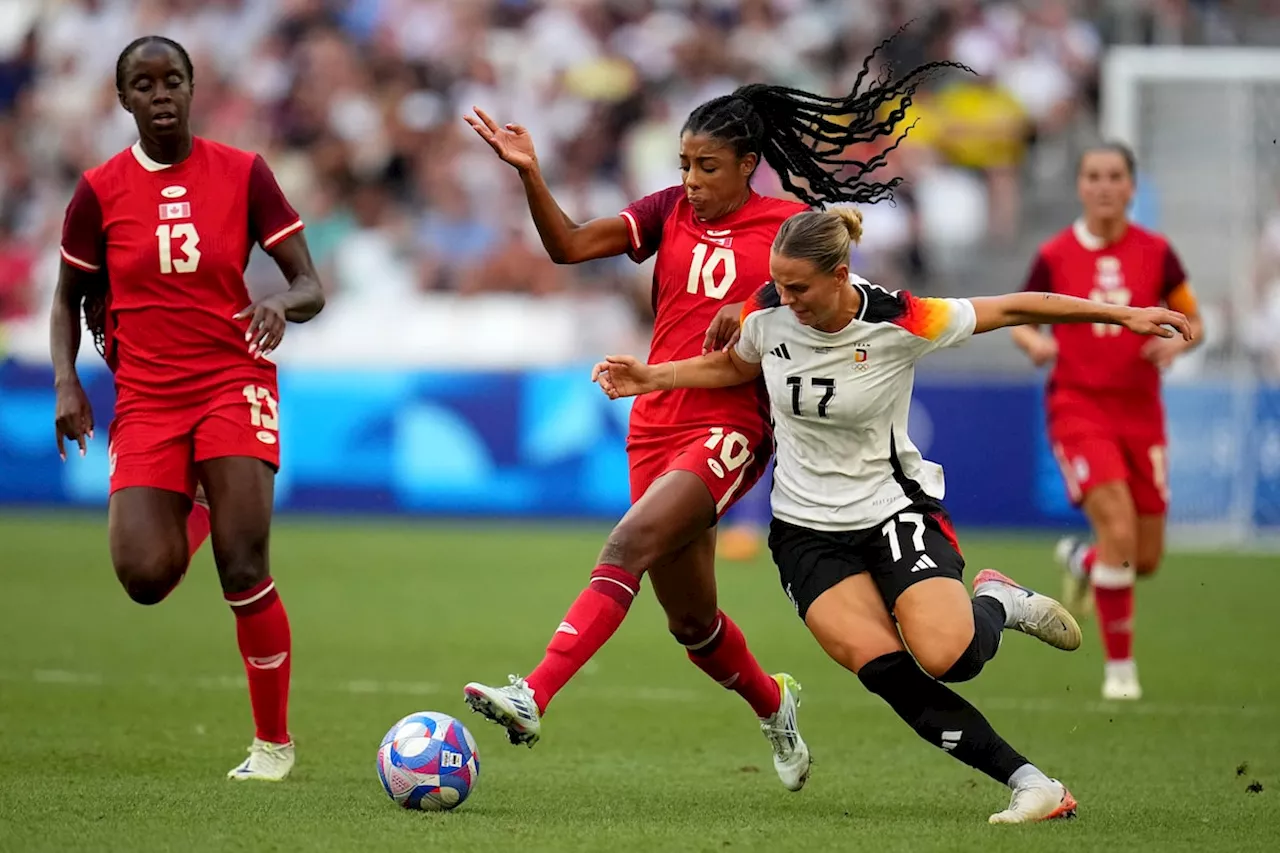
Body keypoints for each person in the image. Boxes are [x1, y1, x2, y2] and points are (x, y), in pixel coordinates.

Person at [460, 49, 966, 791]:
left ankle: (532, 692)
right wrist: (531, 173)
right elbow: (568, 247)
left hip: (732, 421)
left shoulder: (793, 227)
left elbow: (833, 304)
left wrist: (761, 303)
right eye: (685, 164)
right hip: (655, 418)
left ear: (749, 164)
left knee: (628, 540)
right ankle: (776, 703)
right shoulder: (666, 210)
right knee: (692, 625)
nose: (692, 181)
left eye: (707, 167)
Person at [592, 207, 1192, 823]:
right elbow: (738, 364)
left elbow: (1013, 307)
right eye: (778, 282)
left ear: (840, 275)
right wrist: (652, 376)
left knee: (949, 659)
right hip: (805, 532)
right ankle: (1032, 782)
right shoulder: (766, 309)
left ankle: (998, 603)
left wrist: (1120, 315)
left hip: (891, 512)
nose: (783, 296)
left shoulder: (900, 319)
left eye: (798, 286)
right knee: (887, 672)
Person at [50, 36, 326, 781]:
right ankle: (200, 503)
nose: (161, 93)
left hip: (233, 381)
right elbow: (68, 297)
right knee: (143, 576)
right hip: (145, 398)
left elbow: (311, 285)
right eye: (144, 84)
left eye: (173, 79)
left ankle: (273, 745)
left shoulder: (243, 173)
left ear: (193, 88)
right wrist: (67, 381)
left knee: (243, 568)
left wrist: (278, 302)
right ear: (124, 99)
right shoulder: (99, 190)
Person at [1011, 142, 1203, 701]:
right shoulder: (1054, 254)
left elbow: (1194, 318)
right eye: (1093, 175)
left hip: (1141, 412)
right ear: (1080, 186)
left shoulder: (1158, 252)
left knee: (1142, 557)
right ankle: (1120, 673)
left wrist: (1179, 347)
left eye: (1114, 176)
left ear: (1130, 187)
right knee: (1117, 527)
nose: (1103, 186)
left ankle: (1082, 558)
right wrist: (1035, 345)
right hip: (1077, 406)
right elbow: (1019, 318)